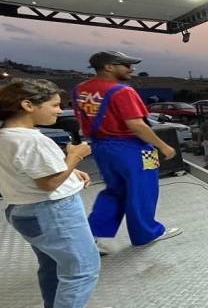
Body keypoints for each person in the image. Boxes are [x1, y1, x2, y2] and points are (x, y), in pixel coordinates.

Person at [0, 79, 119, 308]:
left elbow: (33, 174)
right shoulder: (30, 140)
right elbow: (48, 183)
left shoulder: (5, 136)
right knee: (82, 266)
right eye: (54, 105)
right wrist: (75, 157)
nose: (59, 110)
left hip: (26, 210)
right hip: (52, 211)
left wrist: (70, 172)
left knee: (54, 266)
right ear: (28, 105)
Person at [73, 52, 180, 250]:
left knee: (115, 191)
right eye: (126, 65)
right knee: (143, 190)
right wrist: (163, 146)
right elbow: (136, 125)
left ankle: (91, 238)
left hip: (101, 146)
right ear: (108, 67)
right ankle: (146, 234)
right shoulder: (122, 91)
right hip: (132, 147)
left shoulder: (81, 90)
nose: (132, 69)